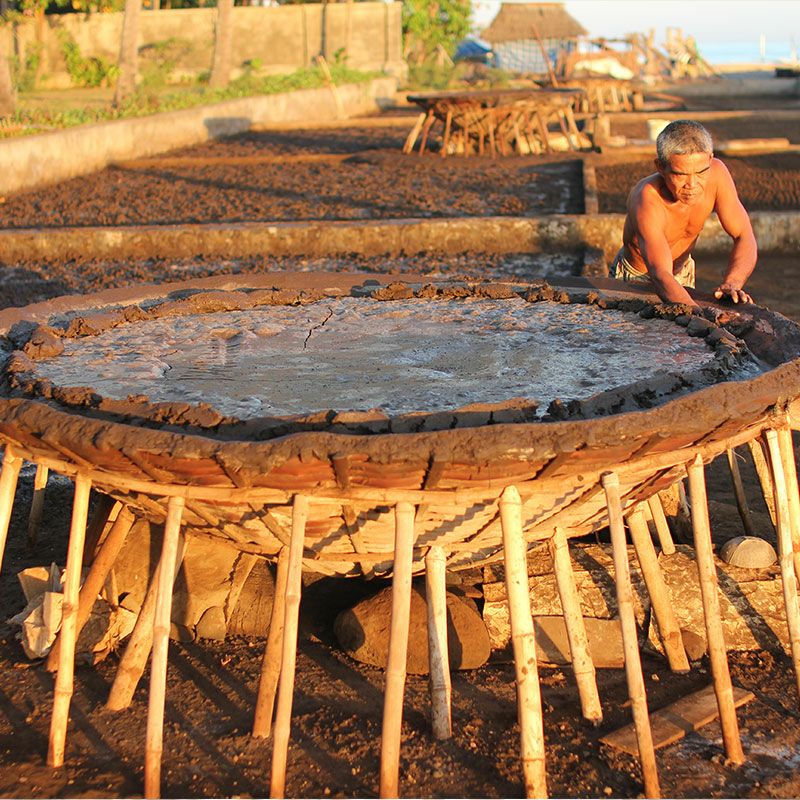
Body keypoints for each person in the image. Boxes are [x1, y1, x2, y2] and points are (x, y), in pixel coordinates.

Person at [612, 119, 757, 307]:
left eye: (701, 172)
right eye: (680, 175)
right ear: (660, 167)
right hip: (638, 279)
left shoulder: (718, 174)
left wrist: (733, 283)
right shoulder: (646, 199)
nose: (692, 185)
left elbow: (744, 235)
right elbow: (660, 274)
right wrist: (700, 316)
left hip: (683, 271)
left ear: (710, 159)